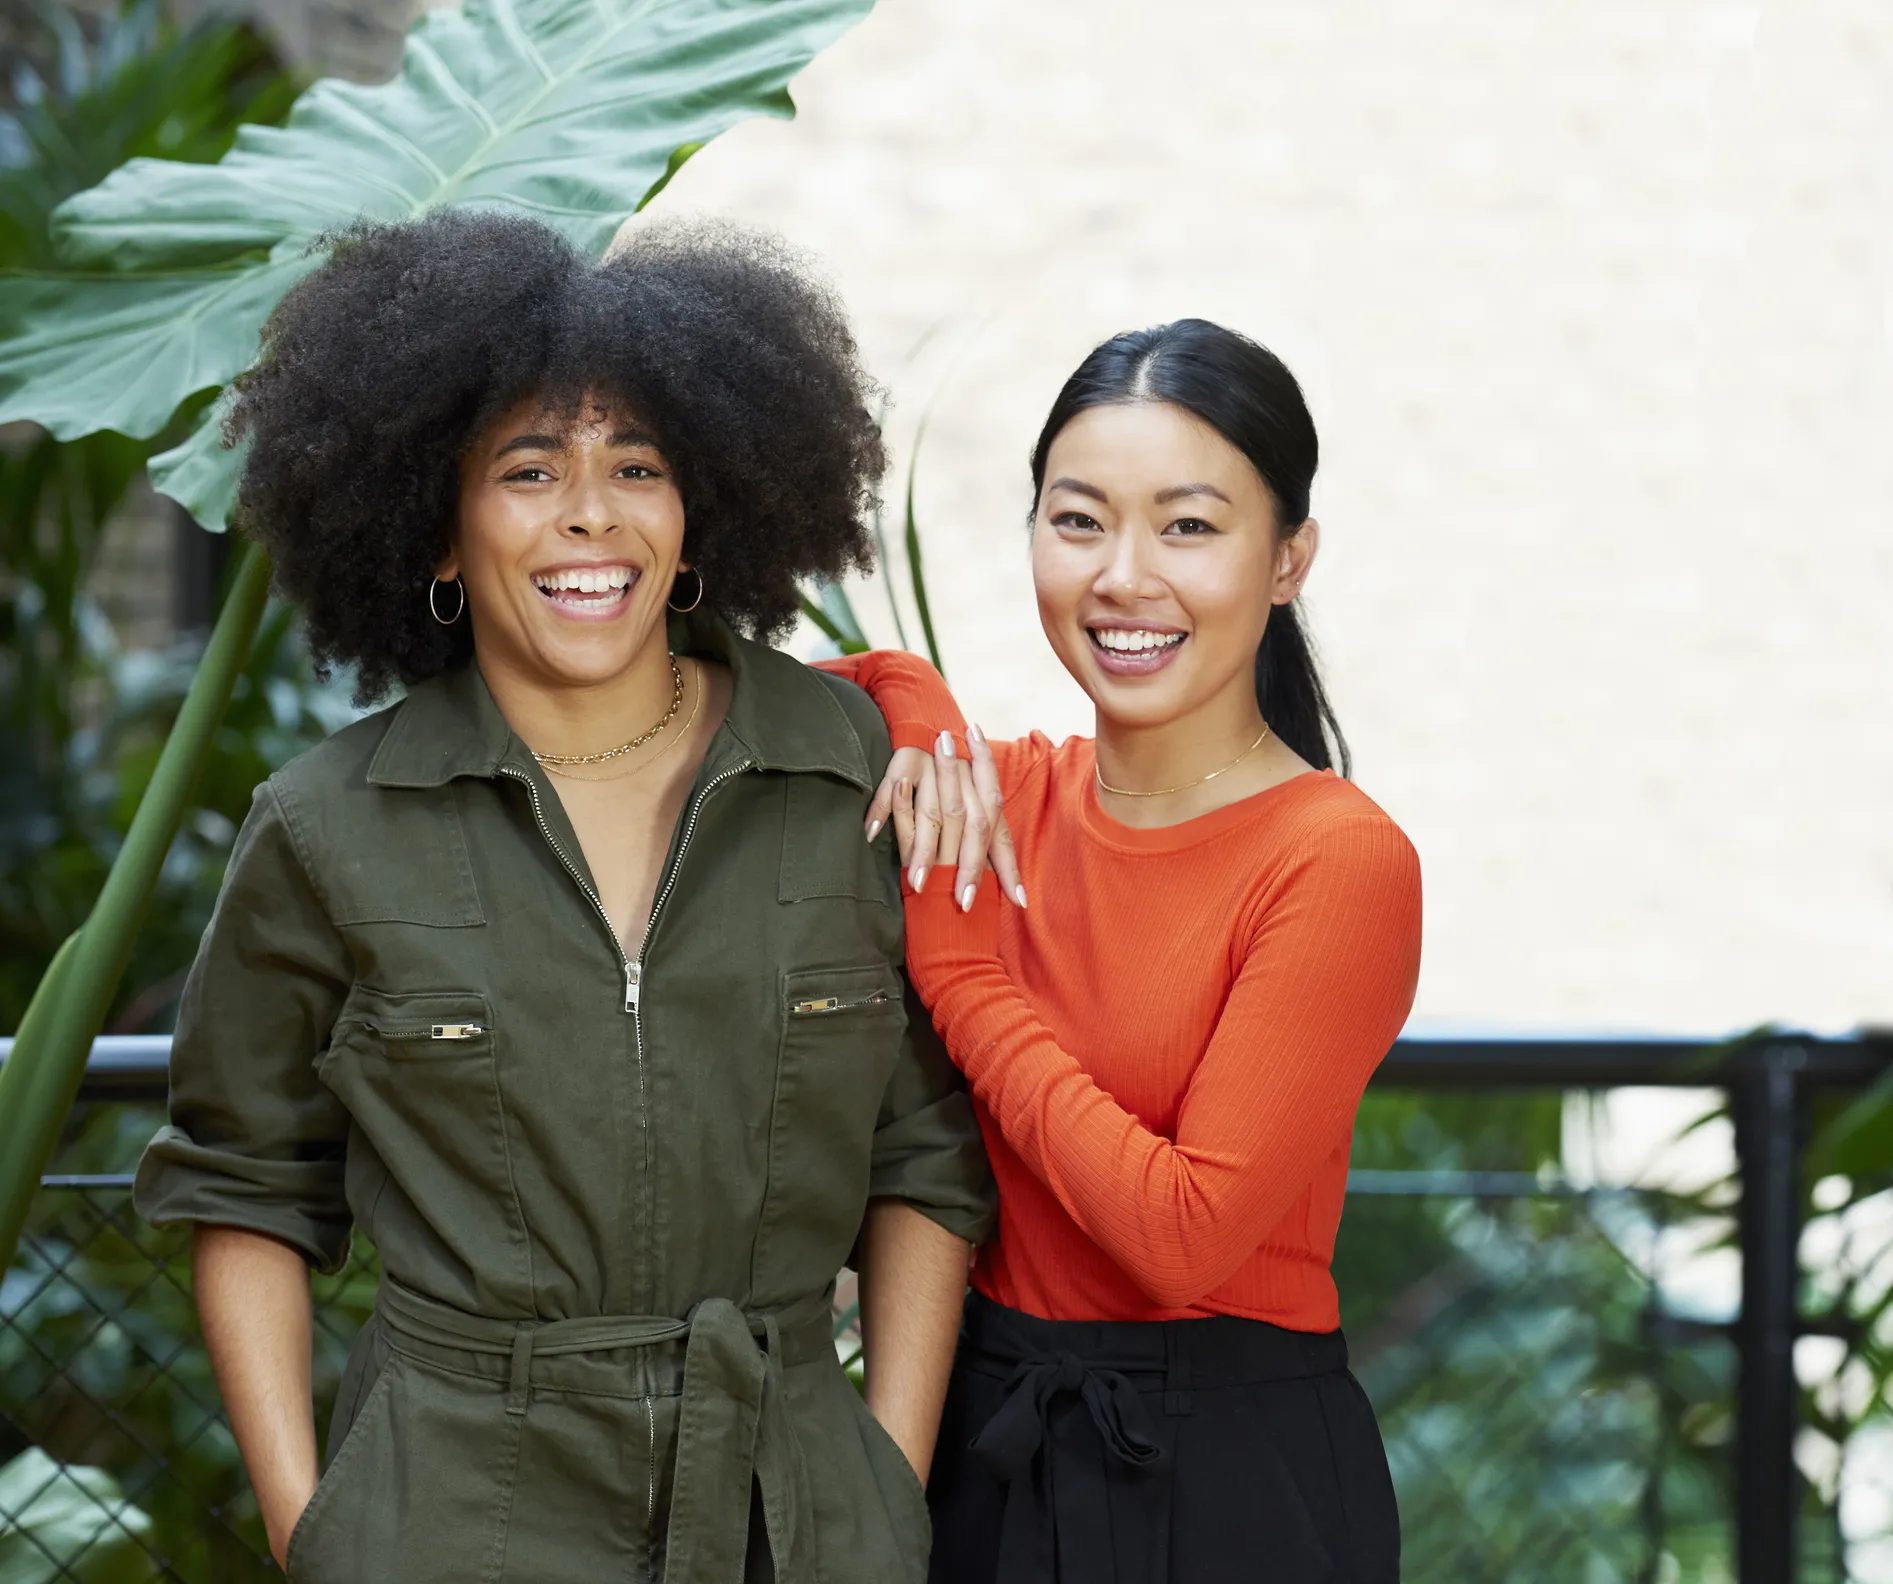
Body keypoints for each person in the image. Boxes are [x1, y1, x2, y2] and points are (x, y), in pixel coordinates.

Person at [133, 210, 994, 1584]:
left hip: (793, 1520)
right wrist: (320, 1534)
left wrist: (882, 1480)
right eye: (530, 470)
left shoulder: (851, 781)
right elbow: (246, 1187)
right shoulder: (325, 829)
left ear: (697, 505)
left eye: (636, 466)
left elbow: (926, 1158)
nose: (591, 514)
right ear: (435, 525)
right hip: (450, 1521)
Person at [820, 319, 1421, 1583]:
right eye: (1078, 520)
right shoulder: (998, 802)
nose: (1122, 578)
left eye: (1189, 527)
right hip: (980, 1443)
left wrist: (968, 984)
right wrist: (910, 698)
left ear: (1288, 558)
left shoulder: (1336, 858)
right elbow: (697, 685)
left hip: (1226, 1482)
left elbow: (1185, 1234)